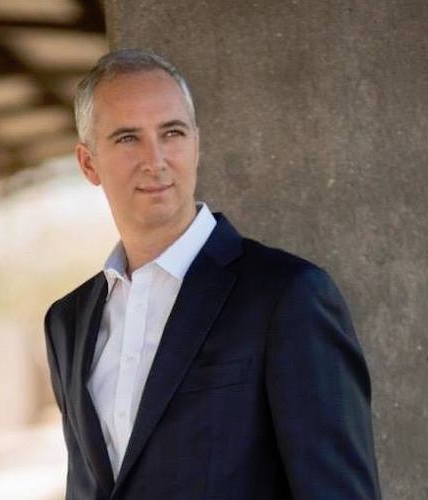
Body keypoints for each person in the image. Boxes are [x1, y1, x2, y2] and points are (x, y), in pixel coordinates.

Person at [44, 48, 382, 500]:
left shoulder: (288, 296)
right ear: (89, 164)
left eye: (172, 132)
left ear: (196, 144)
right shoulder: (67, 322)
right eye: (128, 138)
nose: (156, 159)